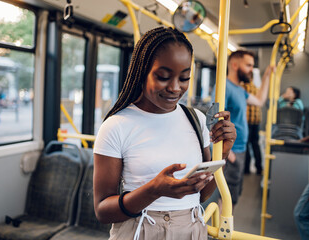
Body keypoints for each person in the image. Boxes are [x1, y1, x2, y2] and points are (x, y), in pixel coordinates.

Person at [93, 27, 237, 240]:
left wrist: (222, 153)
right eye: (163, 77)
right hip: (141, 228)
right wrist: (153, 190)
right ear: (142, 72)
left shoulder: (195, 119)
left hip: (191, 228)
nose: (175, 88)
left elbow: (203, 195)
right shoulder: (117, 126)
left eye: (184, 78)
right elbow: (103, 211)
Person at [212, 50, 274, 206]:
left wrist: (267, 76)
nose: (251, 70)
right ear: (234, 65)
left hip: (241, 150)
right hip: (231, 152)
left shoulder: (240, 90)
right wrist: (228, 152)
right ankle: (221, 230)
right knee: (225, 200)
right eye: (248, 65)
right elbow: (212, 119)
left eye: (252, 66)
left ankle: (225, 229)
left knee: (233, 197)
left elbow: (259, 101)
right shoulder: (224, 87)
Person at [240, 72, 265, 175]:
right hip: (256, 121)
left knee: (246, 145)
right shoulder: (256, 88)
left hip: (247, 120)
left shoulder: (242, 88)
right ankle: (259, 168)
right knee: (255, 144)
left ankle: (246, 169)